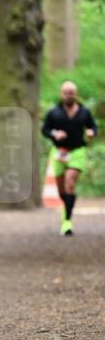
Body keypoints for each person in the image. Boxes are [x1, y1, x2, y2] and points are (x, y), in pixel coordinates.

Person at [42, 80, 97, 236]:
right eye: (66, 93)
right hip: (59, 151)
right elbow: (45, 129)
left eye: (71, 93)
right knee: (62, 191)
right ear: (62, 94)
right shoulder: (53, 113)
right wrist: (55, 134)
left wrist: (91, 132)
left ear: (76, 94)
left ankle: (67, 222)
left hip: (77, 151)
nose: (68, 96)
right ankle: (67, 205)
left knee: (70, 182)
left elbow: (93, 126)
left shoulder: (84, 112)